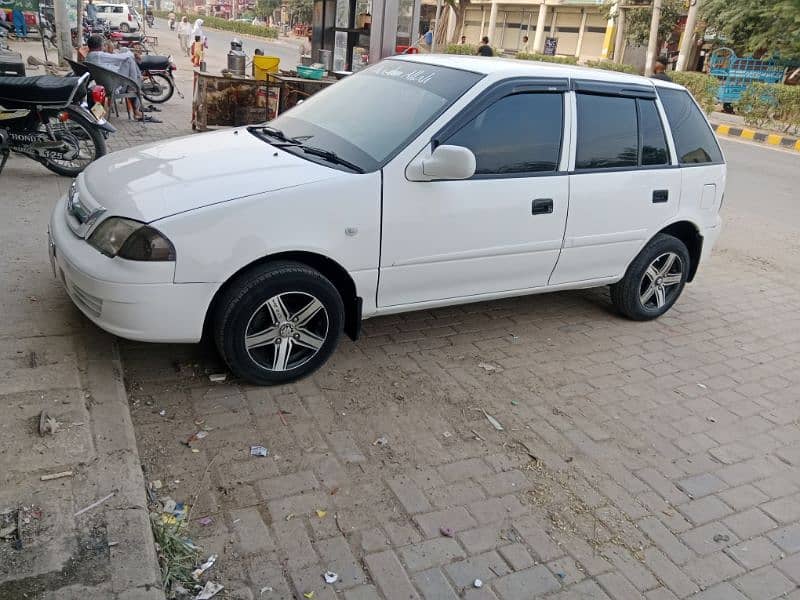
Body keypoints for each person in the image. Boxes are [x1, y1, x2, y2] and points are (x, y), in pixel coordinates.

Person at [84, 34, 160, 122]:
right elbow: (119, 58)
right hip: (113, 86)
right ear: (100, 46)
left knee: (126, 53)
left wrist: (128, 53)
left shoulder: (90, 56)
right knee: (129, 60)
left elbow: (114, 59)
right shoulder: (97, 55)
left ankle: (136, 82)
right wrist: (132, 54)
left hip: (108, 81)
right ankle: (135, 86)